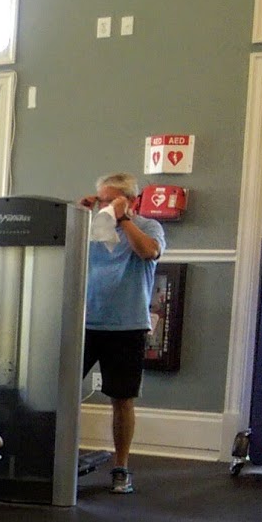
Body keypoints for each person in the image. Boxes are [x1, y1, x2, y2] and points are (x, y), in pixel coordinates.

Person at [79, 171, 166, 494]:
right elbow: (62, 252)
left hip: (127, 326)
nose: (104, 205)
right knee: (59, 391)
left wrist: (124, 218)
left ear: (130, 201)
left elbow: (148, 252)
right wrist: (78, 214)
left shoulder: (148, 227)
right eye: (101, 199)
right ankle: (53, 457)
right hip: (86, 323)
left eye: (110, 200)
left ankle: (121, 467)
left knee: (122, 399)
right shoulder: (90, 228)